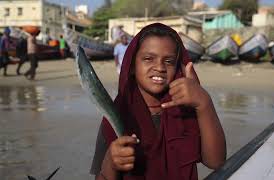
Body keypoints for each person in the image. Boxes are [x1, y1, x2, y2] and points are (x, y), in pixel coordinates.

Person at [90, 23, 226, 180]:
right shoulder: (115, 116)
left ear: (178, 67)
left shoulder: (186, 108)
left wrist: (204, 103)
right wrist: (110, 164)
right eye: (148, 59)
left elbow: (216, 162)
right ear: (132, 65)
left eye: (168, 61)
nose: (160, 67)